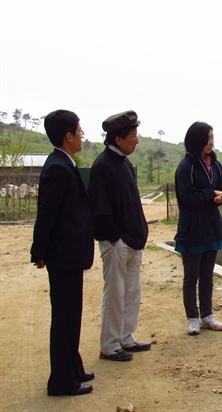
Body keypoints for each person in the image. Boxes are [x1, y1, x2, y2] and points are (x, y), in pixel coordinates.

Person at [30, 110, 95, 396]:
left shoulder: (63, 163)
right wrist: (40, 251)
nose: (82, 135)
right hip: (63, 255)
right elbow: (47, 213)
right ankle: (61, 381)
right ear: (68, 136)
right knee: (65, 317)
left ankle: (74, 368)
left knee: (72, 314)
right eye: (80, 131)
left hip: (69, 254)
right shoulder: (57, 167)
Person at [88, 110, 150, 361]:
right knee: (114, 294)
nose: (137, 140)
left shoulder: (124, 163)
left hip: (132, 241)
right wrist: (115, 238)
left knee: (131, 293)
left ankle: (126, 337)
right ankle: (110, 344)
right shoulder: (103, 166)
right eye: (133, 136)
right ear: (118, 139)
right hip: (118, 243)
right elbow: (100, 208)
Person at [174, 121, 222, 336]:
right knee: (191, 277)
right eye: (208, 138)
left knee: (207, 276)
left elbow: (220, 187)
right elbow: (187, 198)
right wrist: (210, 193)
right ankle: (192, 318)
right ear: (196, 140)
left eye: (213, 137)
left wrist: (220, 195)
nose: (211, 142)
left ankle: (207, 315)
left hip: (211, 227)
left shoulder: (215, 164)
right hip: (193, 229)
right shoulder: (185, 167)